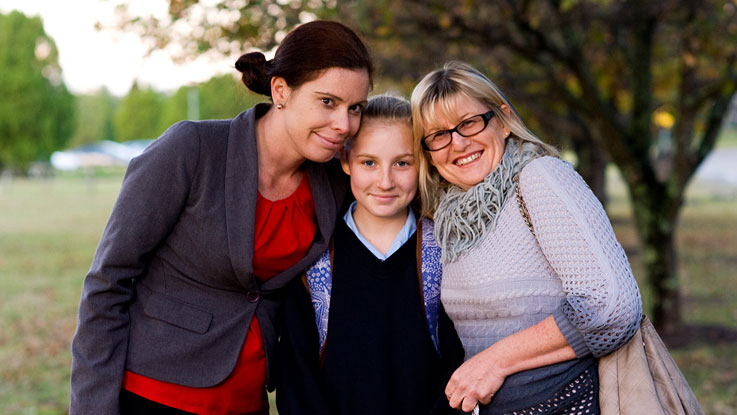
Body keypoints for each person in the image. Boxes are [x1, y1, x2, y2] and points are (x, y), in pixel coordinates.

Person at [69, 20, 373, 415]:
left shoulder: (335, 180)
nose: (344, 125)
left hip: (248, 400)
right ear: (281, 91)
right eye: (328, 102)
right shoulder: (192, 149)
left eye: (356, 108)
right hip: (154, 395)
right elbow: (108, 281)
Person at [409, 61, 643, 415]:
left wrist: (494, 362)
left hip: (569, 406)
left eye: (469, 122)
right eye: (438, 135)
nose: (457, 143)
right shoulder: (446, 218)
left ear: (502, 120)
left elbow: (610, 307)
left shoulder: (540, 178)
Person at [275, 95, 465, 415]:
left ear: (422, 163)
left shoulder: (444, 252)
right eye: (369, 162)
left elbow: (460, 370)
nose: (385, 181)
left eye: (402, 163)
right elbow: (297, 384)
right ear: (345, 160)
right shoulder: (315, 260)